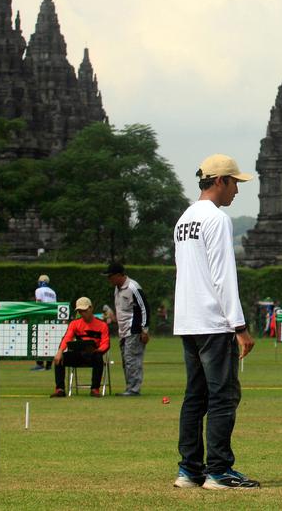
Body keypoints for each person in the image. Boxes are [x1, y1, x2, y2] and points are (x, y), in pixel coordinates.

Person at [172, 154, 259, 490]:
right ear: (220, 181)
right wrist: (240, 327)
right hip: (213, 321)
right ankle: (219, 471)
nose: (237, 190)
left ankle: (189, 470)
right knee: (223, 396)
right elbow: (222, 277)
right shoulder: (217, 220)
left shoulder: (184, 219)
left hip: (187, 320)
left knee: (195, 396)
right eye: (235, 183)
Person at [51, 297, 110, 397]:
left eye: (84, 310)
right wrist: (60, 351)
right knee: (59, 358)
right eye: (80, 311)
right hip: (79, 355)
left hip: (94, 355)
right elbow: (67, 338)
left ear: (91, 308)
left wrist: (98, 350)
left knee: (98, 357)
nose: (82, 313)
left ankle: (95, 389)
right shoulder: (75, 324)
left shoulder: (102, 325)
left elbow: (106, 343)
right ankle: (60, 389)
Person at [106, 262, 151, 396]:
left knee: (132, 360)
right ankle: (130, 387)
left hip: (134, 330)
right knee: (126, 360)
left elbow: (144, 309)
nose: (109, 279)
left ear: (119, 275)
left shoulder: (133, 287)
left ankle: (134, 389)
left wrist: (144, 330)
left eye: (111, 276)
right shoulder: (117, 288)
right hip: (123, 331)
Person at [32, 275, 58, 371]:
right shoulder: (52, 292)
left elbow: (39, 304)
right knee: (49, 341)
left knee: (38, 341)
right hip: (51, 318)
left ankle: (40, 364)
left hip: (42, 318)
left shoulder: (38, 291)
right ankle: (48, 365)